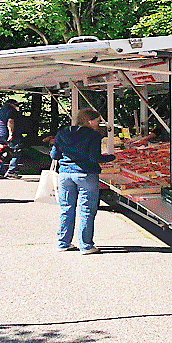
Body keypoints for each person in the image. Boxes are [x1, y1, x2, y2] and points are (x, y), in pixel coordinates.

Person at [51, 108, 116, 254]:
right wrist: (111, 157)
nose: (98, 124)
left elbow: (54, 154)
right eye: (97, 121)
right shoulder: (93, 135)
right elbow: (95, 158)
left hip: (65, 174)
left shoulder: (63, 132)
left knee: (66, 208)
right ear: (90, 121)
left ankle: (63, 243)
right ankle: (86, 245)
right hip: (86, 174)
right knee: (86, 209)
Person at [0, 99, 23, 179]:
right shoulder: (12, 111)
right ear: (12, 104)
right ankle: (11, 171)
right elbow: (10, 122)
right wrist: (11, 134)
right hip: (7, 134)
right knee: (16, 151)